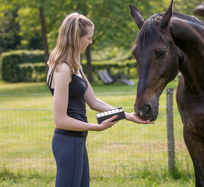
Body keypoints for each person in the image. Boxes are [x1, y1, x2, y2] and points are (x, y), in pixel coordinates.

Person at [46, 12, 153, 187]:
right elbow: (60, 120)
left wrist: (127, 116)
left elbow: (94, 102)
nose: (90, 42)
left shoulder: (75, 67)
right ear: (75, 38)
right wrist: (96, 127)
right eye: (88, 38)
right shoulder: (62, 69)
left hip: (77, 140)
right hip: (67, 140)